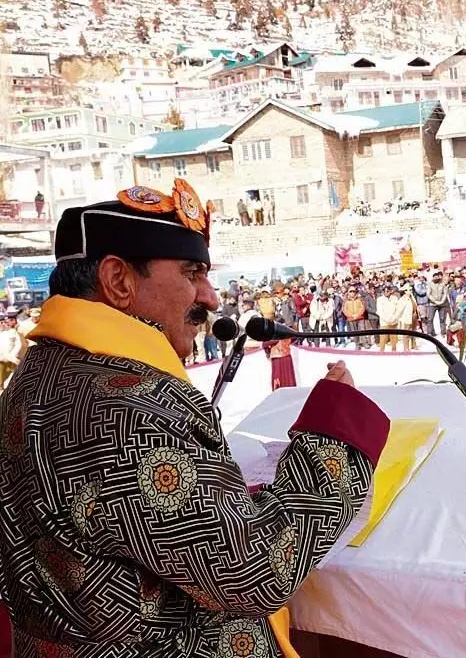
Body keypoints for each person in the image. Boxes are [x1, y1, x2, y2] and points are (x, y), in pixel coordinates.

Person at [0, 180, 392, 656]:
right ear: (119, 281)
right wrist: (336, 436)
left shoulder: (41, 372)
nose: (209, 297)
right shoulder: (131, 407)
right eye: (192, 274)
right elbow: (253, 571)